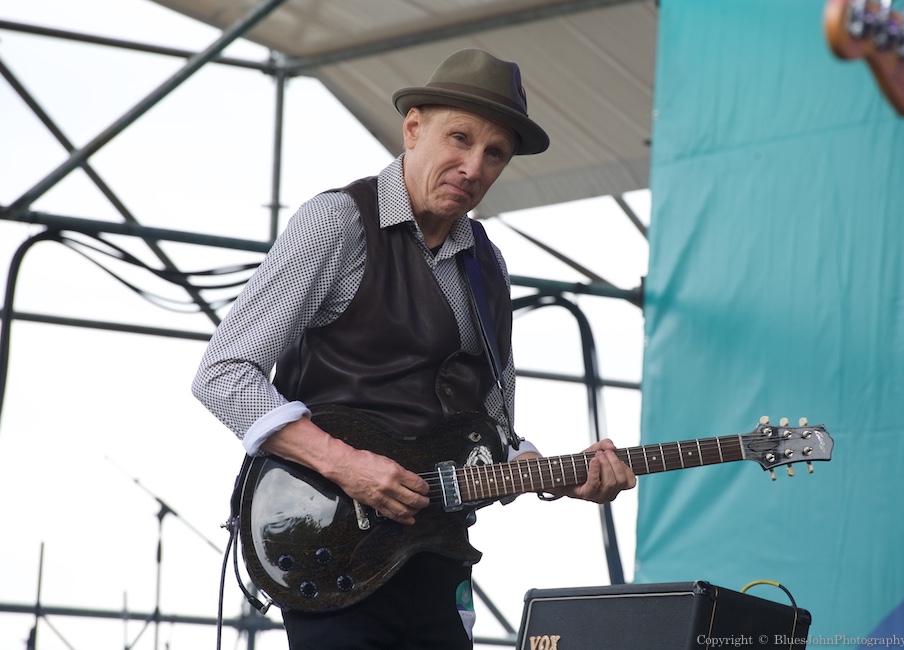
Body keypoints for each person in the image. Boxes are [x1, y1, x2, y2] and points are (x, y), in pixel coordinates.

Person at [192, 48, 636, 650]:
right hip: (329, 541)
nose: (473, 166)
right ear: (413, 128)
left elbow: (494, 433)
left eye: (495, 154)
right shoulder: (338, 222)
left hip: (438, 558)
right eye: (459, 138)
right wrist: (346, 464)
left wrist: (560, 476)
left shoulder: (490, 265)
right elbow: (223, 374)